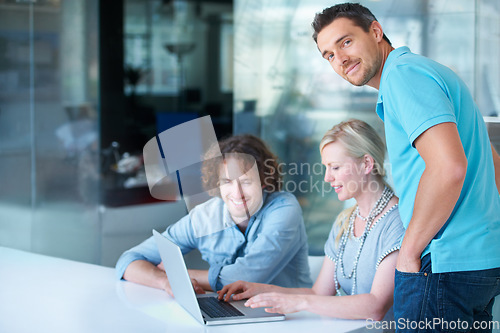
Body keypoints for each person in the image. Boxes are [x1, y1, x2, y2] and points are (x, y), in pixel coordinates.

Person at [311, 3, 500, 332]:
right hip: (478, 263)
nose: (339, 60)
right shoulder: (427, 72)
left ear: (375, 31)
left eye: (346, 42)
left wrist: (409, 252)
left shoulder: (402, 76)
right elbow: (494, 166)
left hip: (441, 264)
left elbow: (449, 167)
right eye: (328, 54)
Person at [218, 119, 404, 322]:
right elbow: (319, 294)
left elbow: (376, 307)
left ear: (367, 164)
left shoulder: (397, 221)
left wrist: (301, 303)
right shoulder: (345, 221)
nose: (327, 178)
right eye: (326, 167)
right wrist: (258, 289)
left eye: (335, 167)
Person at [115, 134, 312, 295]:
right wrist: (166, 281)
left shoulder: (284, 209)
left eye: (246, 181)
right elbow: (129, 260)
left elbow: (246, 279)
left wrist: (179, 275)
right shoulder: (205, 216)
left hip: (291, 319)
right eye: (227, 181)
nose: (237, 193)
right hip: (229, 314)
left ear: (264, 181)